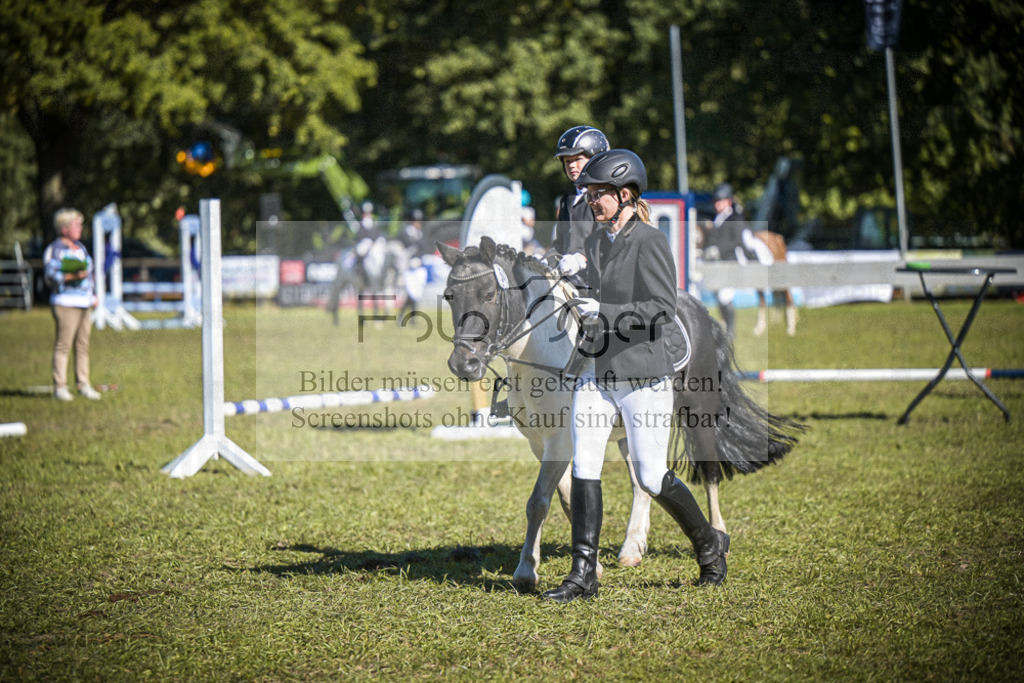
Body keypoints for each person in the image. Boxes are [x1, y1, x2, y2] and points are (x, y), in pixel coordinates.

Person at [542, 150, 729, 603]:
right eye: (587, 193)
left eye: (598, 193)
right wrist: (571, 269)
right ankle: (582, 574)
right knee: (585, 464)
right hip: (596, 370)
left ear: (624, 195)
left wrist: (602, 312)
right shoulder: (599, 240)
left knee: (650, 475)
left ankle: (708, 546)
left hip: (643, 375)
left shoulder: (649, 242)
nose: (590, 200)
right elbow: (593, 284)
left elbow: (661, 310)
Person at [43, 208, 101, 402]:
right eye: (77, 225)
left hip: (84, 302)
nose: (80, 228)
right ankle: (60, 386)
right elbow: (51, 276)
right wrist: (71, 276)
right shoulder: (56, 249)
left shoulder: (81, 248)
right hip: (65, 302)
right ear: (64, 228)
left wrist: (93, 295)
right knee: (63, 345)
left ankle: (83, 383)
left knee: (83, 345)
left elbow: (90, 275)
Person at [702, 182, 773, 339]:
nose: (716, 205)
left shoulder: (735, 218)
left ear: (728, 201)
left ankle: (730, 332)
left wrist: (718, 250)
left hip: (733, 260)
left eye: (719, 201)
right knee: (719, 294)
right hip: (720, 262)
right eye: (715, 202)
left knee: (724, 294)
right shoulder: (718, 218)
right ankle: (726, 327)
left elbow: (738, 241)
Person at [550, 125, 610, 272]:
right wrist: (545, 260)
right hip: (569, 277)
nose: (572, 166)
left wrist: (581, 259)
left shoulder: (604, 198)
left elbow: (606, 241)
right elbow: (560, 244)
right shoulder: (567, 200)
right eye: (567, 161)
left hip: (598, 279)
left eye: (578, 159)